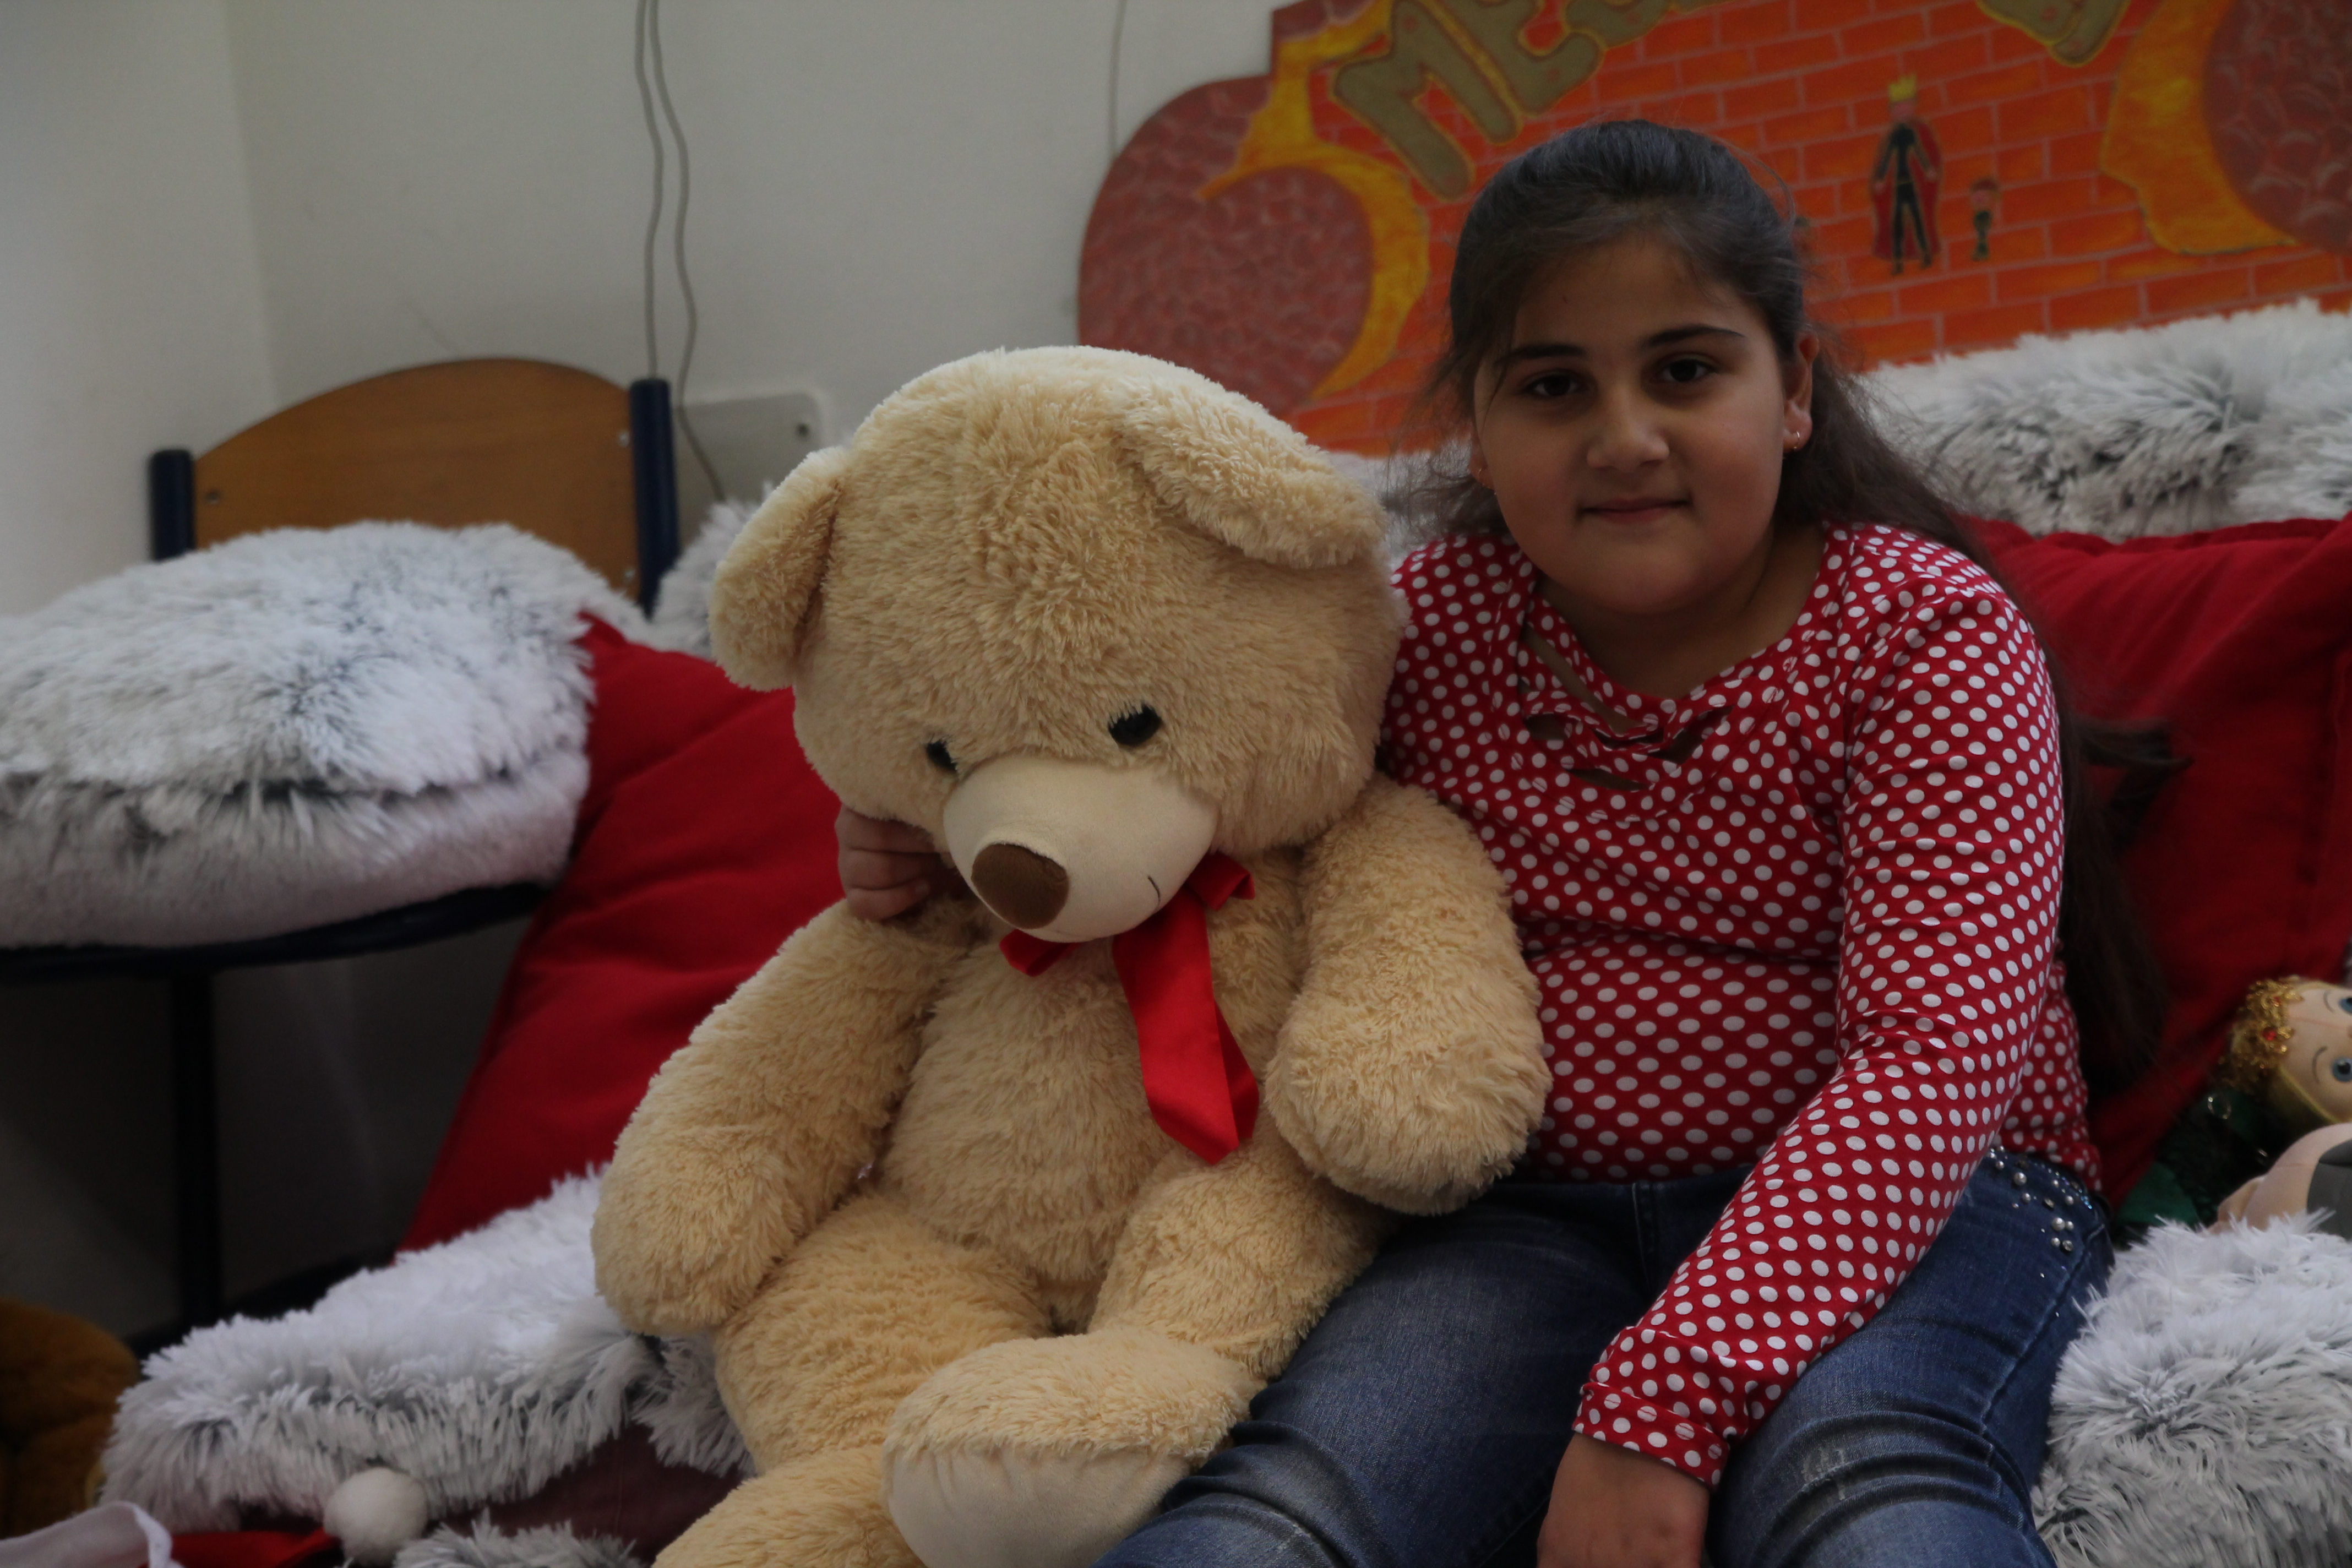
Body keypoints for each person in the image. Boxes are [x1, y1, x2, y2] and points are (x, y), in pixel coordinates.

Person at [837, 121, 2160, 1568]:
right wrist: (938, 837)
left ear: (1794, 393)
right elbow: (1180, 788)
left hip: (1934, 1205)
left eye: (1686, 370)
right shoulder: (1425, 629)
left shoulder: (1921, 632)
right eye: (1552, 386)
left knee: (1866, 1488)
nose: (1625, 436)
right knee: (1294, 1503)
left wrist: (1663, 1405)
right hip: (1530, 1227)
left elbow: (1931, 1065)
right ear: (1477, 422)